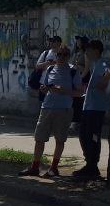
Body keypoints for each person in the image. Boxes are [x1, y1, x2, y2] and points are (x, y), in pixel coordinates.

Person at [19, 44, 80, 178]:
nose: (62, 57)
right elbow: (45, 86)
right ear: (56, 55)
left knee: (60, 139)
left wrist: (63, 91)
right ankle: (35, 166)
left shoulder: (73, 71)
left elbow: (80, 92)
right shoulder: (51, 68)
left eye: (65, 55)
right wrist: (44, 88)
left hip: (63, 109)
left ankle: (54, 168)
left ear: (69, 56)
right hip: (47, 107)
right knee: (39, 138)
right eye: (60, 54)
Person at [73, 39, 110, 180]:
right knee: (84, 135)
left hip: (96, 108)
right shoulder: (95, 64)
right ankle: (90, 163)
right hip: (90, 106)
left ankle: (92, 165)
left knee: (92, 136)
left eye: (88, 50)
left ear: (96, 50)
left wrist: (101, 84)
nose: (86, 52)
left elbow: (108, 76)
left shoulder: (102, 63)